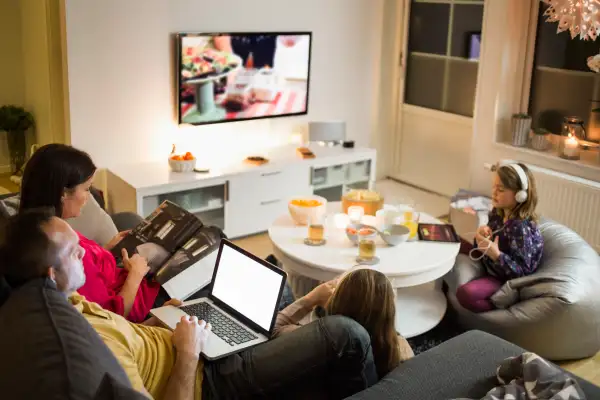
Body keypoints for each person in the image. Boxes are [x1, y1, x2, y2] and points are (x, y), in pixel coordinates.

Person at [0, 209, 378, 399]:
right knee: (347, 335)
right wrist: (187, 353)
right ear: (50, 273)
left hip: (187, 340)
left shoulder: (69, 300)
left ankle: (299, 308)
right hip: (206, 377)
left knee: (263, 298)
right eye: (72, 251)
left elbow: (127, 332)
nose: (84, 250)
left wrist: (156, 321)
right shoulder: (92, 347)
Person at [19, 143, 160, 322]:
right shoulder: (61, 253)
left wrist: (105, 251)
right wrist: (136, 274)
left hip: (120, 275)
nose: (88, 196)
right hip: (136, 300)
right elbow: (113, 317)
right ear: (63, 193)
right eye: (86, 189)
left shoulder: (40, 231)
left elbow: (89, 268)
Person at [274, 268, 414, 379]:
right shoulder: (399, 351)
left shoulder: (316, 340)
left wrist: (312, 298)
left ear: (336, 302)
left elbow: (274, 328)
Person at [455, 162, 544, 313]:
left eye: (501, 189)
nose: (494, 193)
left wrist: (497, 255)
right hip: (488, 261)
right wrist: (481, 235)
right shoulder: (498, 212)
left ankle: (502, 307)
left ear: (520, 196)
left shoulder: (520, 228)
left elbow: (522, 273)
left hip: (503, 278)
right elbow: (485, 245)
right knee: (451, 239)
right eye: (494, 187)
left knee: (466, 294)